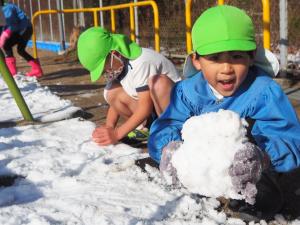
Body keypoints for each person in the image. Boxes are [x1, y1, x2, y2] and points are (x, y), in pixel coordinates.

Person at [148, 5, 300, 221]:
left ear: (251, 57)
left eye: (237, 56)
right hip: (201, 167)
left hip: (248, 175)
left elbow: (289, 138)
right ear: (197, 61)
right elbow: (166, 124)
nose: (226, 67)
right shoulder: (187, 92)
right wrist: (168, 149)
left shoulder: (263, 92)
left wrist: (262, 157)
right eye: (215, 57)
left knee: (264, 201)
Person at [77, 27, 181, 145]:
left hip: (175, 109)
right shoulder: (119, 63)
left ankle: (170, 132)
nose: (106, 73)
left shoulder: (142, 62)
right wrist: (109, 127)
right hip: (153, 110)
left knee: (158, 83)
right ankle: (148, 128)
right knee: (111, 91)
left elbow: (145, 108)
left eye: (105, 68)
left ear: (114, 54)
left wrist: (117, 134)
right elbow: (114, 105)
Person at [0, 0, 43, 77]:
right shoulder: (4, 8)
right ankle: (37, 69)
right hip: (25, 29)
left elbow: (13, 25)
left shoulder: (7, 8)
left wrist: (4, 35)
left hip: (23, 29)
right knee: (20, 50)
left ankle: (12, 72)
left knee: (6, 45)